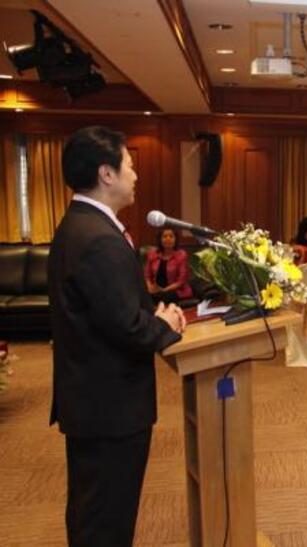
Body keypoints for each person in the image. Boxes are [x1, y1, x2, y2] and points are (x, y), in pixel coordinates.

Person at [48, 126, 185, 546]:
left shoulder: (79, 226)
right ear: (106, 174)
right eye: (129, 165)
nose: (136, 174)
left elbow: (108, 312)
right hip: (109, 406)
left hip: (92, 400)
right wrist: (165, 324)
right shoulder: (97, 240)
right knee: (105, 520)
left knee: (94, 512)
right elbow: (128, 327)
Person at [144, 228, 193, 304]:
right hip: (156, 290)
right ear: (160, 240)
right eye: (165, 236)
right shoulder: (152, 254)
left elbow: (181, 281)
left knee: (159, 297)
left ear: (175, 239)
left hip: (176, 291)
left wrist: (163, 291)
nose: (168, 239)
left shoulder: (181, 255)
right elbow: (147, 275)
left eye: (171, 236)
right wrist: (150, 287)